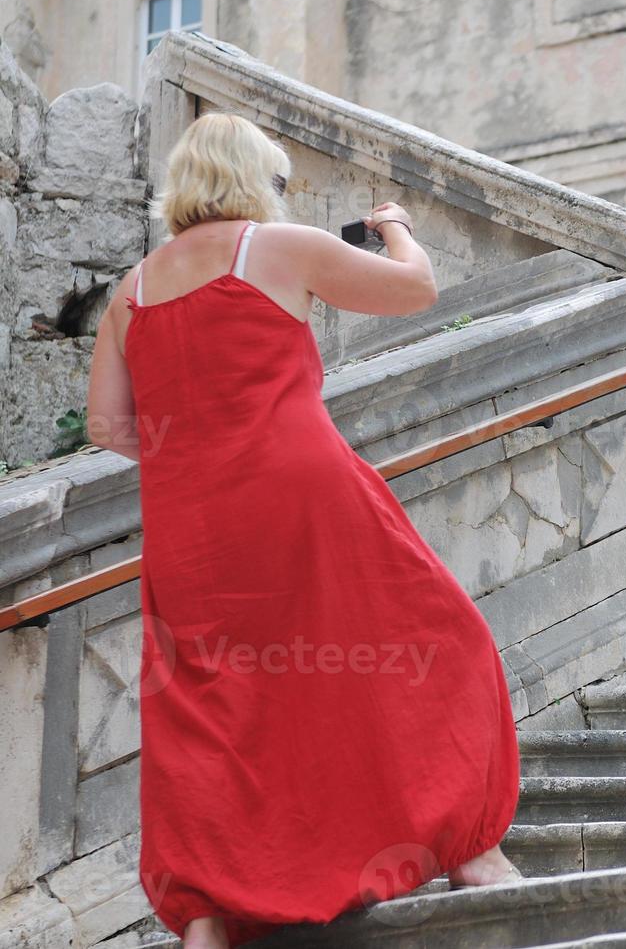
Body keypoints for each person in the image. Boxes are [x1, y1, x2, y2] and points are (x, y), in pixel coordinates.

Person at [84, 113, 522, 948]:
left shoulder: (131, 291)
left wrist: (201, 440)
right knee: (425, 635)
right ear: (254, 180)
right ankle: (470, 852)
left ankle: (208, 918)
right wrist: (396, 230)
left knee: (209, 708)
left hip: (192, 521)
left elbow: (109, 427)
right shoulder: (277, 247)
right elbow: (415, 291)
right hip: (300, 490)